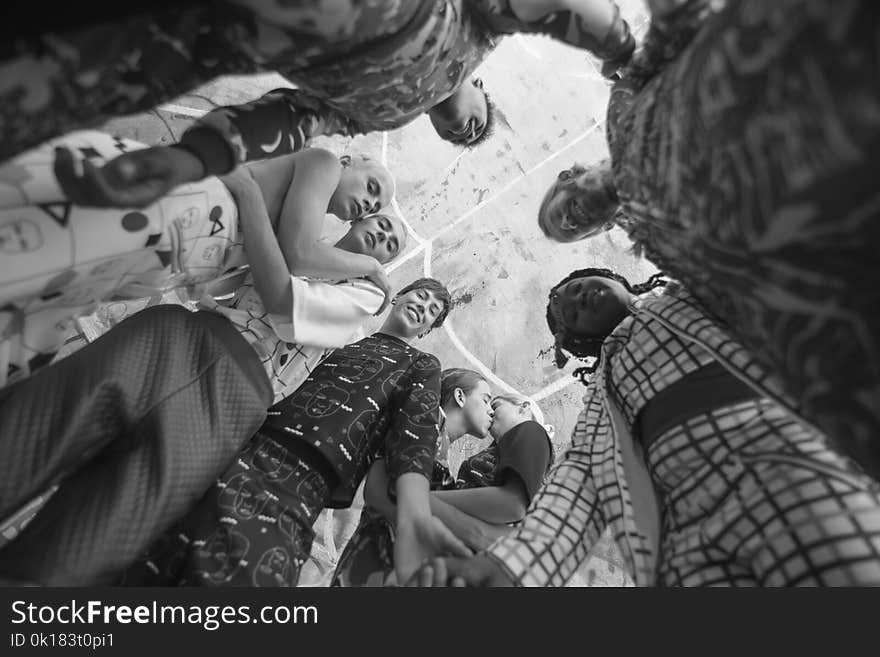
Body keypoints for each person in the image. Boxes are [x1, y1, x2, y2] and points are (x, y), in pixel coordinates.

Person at [534, 0, 880, 480]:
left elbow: (678, 22)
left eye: (564, 210)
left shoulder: (623, 109)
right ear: (602, 231)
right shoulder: (661, 245)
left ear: (570, 175)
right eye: (573, 230)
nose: (574, 219)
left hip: (818, 88)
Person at [409, 268, 880, 586]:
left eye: (579, 285)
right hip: (688, 541)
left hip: (785, 466)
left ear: (615, 278)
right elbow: (574, 495)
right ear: (578, 344)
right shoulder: (603, 405)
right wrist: (506, 571)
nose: (576, 300)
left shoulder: (696, 295)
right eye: (566, 314)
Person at [2, 1, 638, 207]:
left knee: (44, 79)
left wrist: (191, 161)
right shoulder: (478, 31)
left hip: (205, 37)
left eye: (459, 139)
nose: (463, 128)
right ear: (483, 89)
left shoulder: (375, 116)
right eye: (478, 122)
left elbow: (293, 119)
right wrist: (621, 51)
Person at [121, 278, 471, 587]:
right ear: (397, 297)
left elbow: (415, 436)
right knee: (157, 552)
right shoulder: (342, 343)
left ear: (426, 332)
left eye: (431, 311)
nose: (422, 308)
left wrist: (414, 516)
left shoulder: (422, 365)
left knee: (243, 576)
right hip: (244, 447)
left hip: (300, 481)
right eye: (420, 297)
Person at [0, 132, 400, 392]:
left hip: (177, 252)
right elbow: (296, 256)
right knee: (58, 257)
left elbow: (273, 264)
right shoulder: (323, 164)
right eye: (371, 187)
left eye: (373, 205)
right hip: (181, 220)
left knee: (59, 289)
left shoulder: (309, 219)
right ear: (350, 160)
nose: (368, 201)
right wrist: (371, 267)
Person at [0, 304, 272, 586]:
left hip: (237, 403)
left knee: (75, 558)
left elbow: (288, 293)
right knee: (19, 441)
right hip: (174, 342)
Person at [331, 370, 552, 586]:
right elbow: (379, 492)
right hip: (378, 559)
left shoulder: (528, 434)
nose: (491, 412)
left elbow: (511, 507)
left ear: (524, 409)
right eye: (487, 401)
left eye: (495, 405)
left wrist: (418, 500)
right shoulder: (427, 422)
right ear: (459, 397)